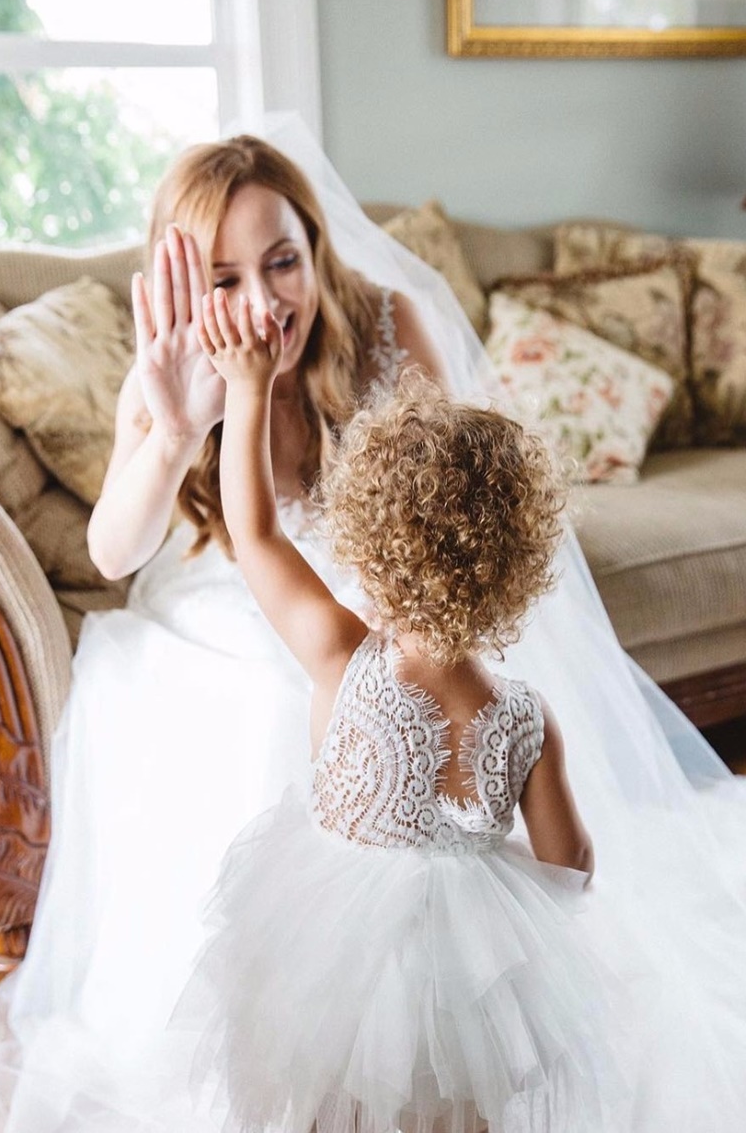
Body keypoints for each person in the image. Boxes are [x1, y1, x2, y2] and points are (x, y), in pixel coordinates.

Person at [0, 113, 746, 1132]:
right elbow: (118, 553)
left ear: (315, 251)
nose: (260, 303)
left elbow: (457, 484)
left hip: (384, 578)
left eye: (280, 262)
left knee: (367, 685)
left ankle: (426, 999)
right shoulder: (170, 370)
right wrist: (171, 429)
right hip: (214, 594)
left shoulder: (382, 326)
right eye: (226, 280)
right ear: (190, 289)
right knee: (259, 695)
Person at [175, 306, 631, 1133]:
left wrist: (251, 385)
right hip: (471, 984)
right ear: (513, 572)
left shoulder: (341, 657)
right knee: (460, 1111)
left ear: (370, 550)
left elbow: (253, 532)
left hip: (338, 966)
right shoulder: (528, 722)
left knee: (332, 1106)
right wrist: (470, 865)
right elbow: (569, 868)